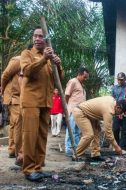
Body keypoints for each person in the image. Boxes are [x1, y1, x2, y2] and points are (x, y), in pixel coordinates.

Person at [20, 26, 64, 181]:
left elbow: (58, 79)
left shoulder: (50, 56)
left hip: (46, 102)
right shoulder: (27, 54)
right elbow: (27, 71)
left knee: (42, 136)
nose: (37, 39)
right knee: (30, 136)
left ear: (46, 40)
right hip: (31, 101)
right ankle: (28, 169)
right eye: (35, 36)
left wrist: (57, 65)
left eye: (40, 36)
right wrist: (44, 59)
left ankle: (38, 167)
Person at [72, 96, 126, 161]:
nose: (119, 114)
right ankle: (76, 155)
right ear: (118, 107)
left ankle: (95, 155)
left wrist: (96, 121)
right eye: (120, 112)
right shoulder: (109, 111)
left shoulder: (112, 100)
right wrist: (117, 147)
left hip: (90, 114)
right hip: (80, 112)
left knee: (97, 131)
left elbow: (98, 108)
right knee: (89, 135)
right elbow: (108, 133)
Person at [64, 67, 89, 156]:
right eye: (84, 77)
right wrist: (68, 107)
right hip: (73, 110)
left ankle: (77, 149)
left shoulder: (82, 85)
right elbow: (66, 95)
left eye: (86, 77)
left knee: (77, 131)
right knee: (71, 129)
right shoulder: (73, 81)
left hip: (80, 112)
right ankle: (69, 149)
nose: (85, 79)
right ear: (79, 74)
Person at [1, 56, 22, 160]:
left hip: (21, 97)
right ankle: (19, 152)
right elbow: (5, 75)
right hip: (14, 96)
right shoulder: (18, 60)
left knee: (14, 124)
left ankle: (12, 150)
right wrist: (2, 89)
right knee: (19, 123)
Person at [112, 72, 126, 149]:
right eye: (118, 80)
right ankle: (116, 146)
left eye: (121, 80)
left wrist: (124, 111)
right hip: (117, 111)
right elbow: (113, 99)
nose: (120, 81)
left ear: (125, 79)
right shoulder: (114, 88)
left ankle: (123, 147)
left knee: (125, 130)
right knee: (115, 129)